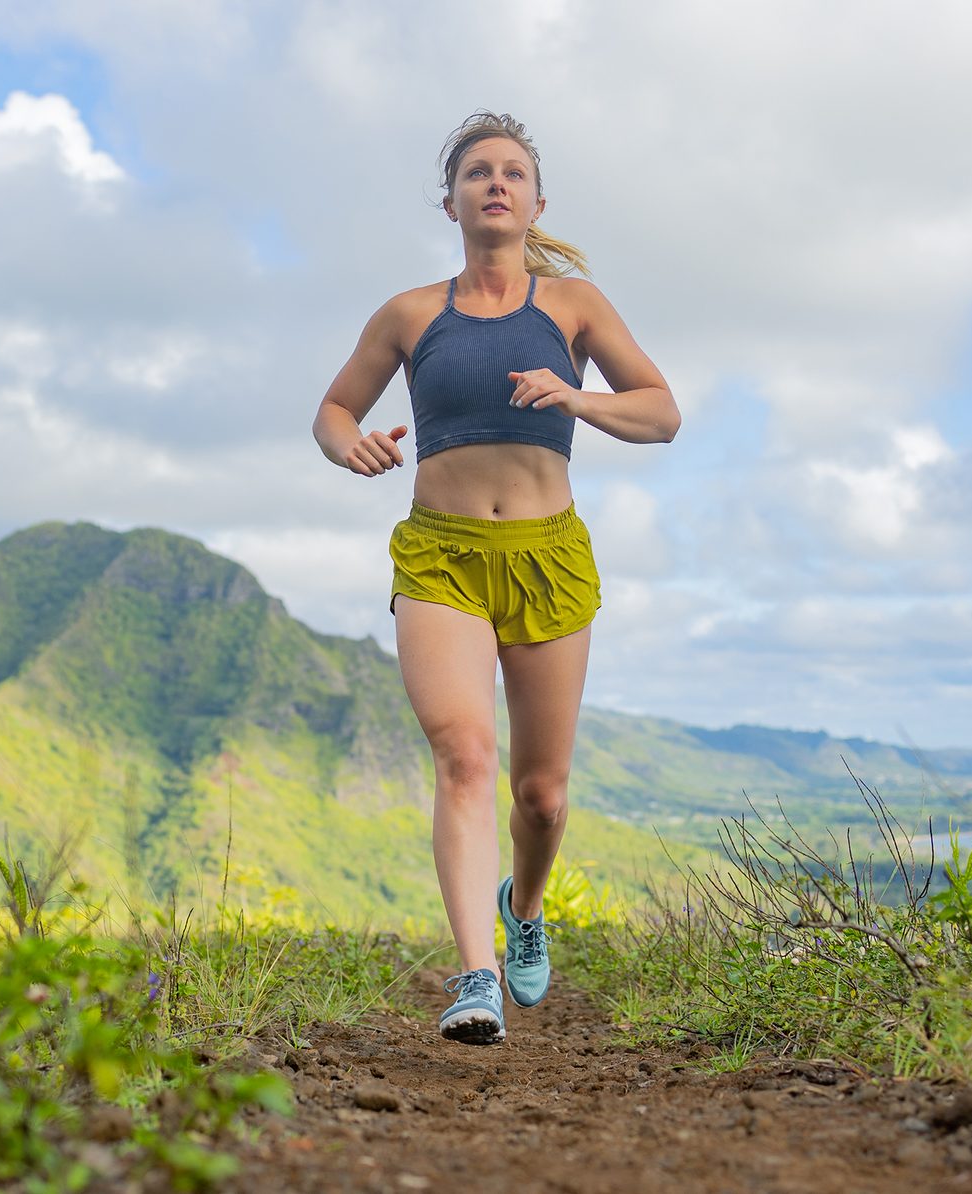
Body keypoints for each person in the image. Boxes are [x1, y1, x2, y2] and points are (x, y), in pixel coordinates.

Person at [313, 111, 679, 1045]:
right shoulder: (408, 314)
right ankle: (474, 975)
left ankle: (524, 906)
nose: (495, 184)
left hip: (547, 559)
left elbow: (660, 414)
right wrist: (348, 444)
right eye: (477, 172)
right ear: (451, 202)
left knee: (540, 794)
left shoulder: (573, 307)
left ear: (535, 203)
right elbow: (334, 409)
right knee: (464, 757)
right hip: (440, 558)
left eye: (513, 172)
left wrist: (576, 397)